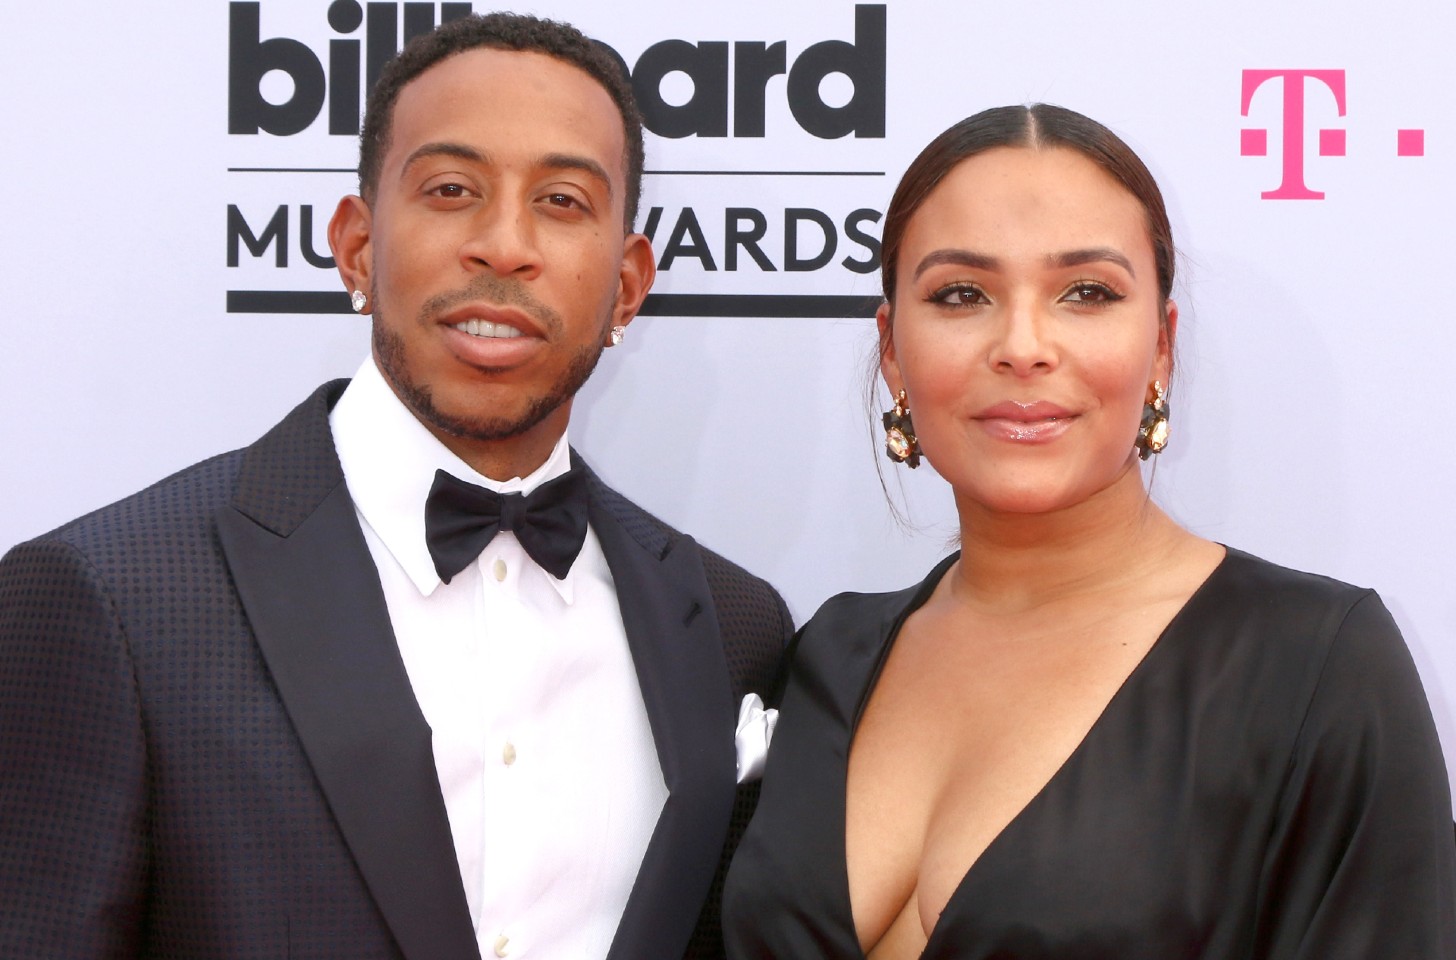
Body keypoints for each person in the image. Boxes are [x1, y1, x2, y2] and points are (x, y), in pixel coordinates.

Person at [0, 13, 791, 960]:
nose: (504, 246)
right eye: (452, 190)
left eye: (564, 201)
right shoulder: (111, 599)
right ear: (356, 245)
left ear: (627, 285)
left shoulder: (734, 625)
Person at [722, 104, 1456, 958]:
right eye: (961, 294)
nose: (1023, 345)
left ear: (1162, 348)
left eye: (1087, 293)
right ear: (892, 350)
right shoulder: (828, 654)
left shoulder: (1316, 665)